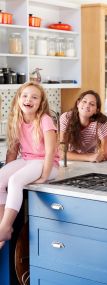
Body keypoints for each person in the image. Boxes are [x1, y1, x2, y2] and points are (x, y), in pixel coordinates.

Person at [0, 82, 59, 246]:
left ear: (41, 103)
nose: (29, 99)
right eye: (25, 95)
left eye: (34, 97)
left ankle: (5, 226)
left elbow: (50, 152)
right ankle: (3, 224)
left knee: (15, 181)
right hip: (28, 161)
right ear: (18, 99)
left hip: (48, 164)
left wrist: (44, 175)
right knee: (0, 179)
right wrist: (7, 170)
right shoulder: (17, 120)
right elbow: (12, 151)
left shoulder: (45, 120)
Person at [60, 90, 107, 162]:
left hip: (91, 163)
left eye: (92, 104)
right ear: (78, 104)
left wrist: (97, 156)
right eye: (84, 101)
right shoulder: (66, 118)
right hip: (72, 161)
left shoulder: (101, 123)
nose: (87, 105)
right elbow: (60, 152)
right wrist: (87, 157)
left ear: (96, 111)